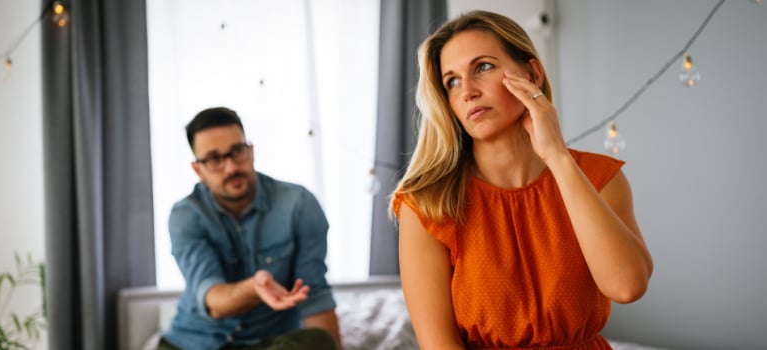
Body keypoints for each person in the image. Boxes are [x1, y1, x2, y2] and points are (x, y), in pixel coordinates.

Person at [391, 10, 653, 350]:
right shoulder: (427, 205)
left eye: (483, 67)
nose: (467, 90)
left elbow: (627, 287)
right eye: (452, 81)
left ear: (531, 72)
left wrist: (558, 157)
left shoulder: (600, 178)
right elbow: (439, 345)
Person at [159, 107, 341, 350]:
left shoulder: (298, 204)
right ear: (198, 170)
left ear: (251, 150)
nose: (231, 167)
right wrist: (255, 288)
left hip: (267, 342)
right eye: (214, 159)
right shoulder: (185, 216)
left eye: (237, 151)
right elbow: (213, 300)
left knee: (318, 341)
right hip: (193, 342)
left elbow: (314, 295)